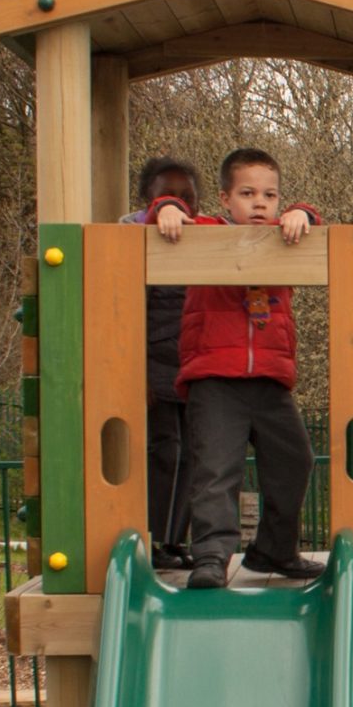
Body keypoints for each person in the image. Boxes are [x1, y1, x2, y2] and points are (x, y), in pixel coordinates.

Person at [151, 147, 324, 589]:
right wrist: (168, 208)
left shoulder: (287, 239)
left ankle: (274, 549)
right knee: (215, 470)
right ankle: (211, 556)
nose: (260, 203)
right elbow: (162, 218)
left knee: (295, 460)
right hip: (215, 379)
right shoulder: (207, 233)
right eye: (247, 193)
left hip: (269, 381)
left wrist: (304, 213)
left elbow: (318, 225)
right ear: (226, 200)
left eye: (270, 195)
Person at [125, 155, 201, 569]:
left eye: (188, 197)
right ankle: (152, 538)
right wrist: (135, 372)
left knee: (194, 453)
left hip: (193, 360)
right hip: (151, 359)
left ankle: (175, 540)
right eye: (168, 197)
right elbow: (124, 304)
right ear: (147, 199)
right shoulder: (132, 231)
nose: (179, 205)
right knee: (162, 450)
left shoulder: (203, 233)